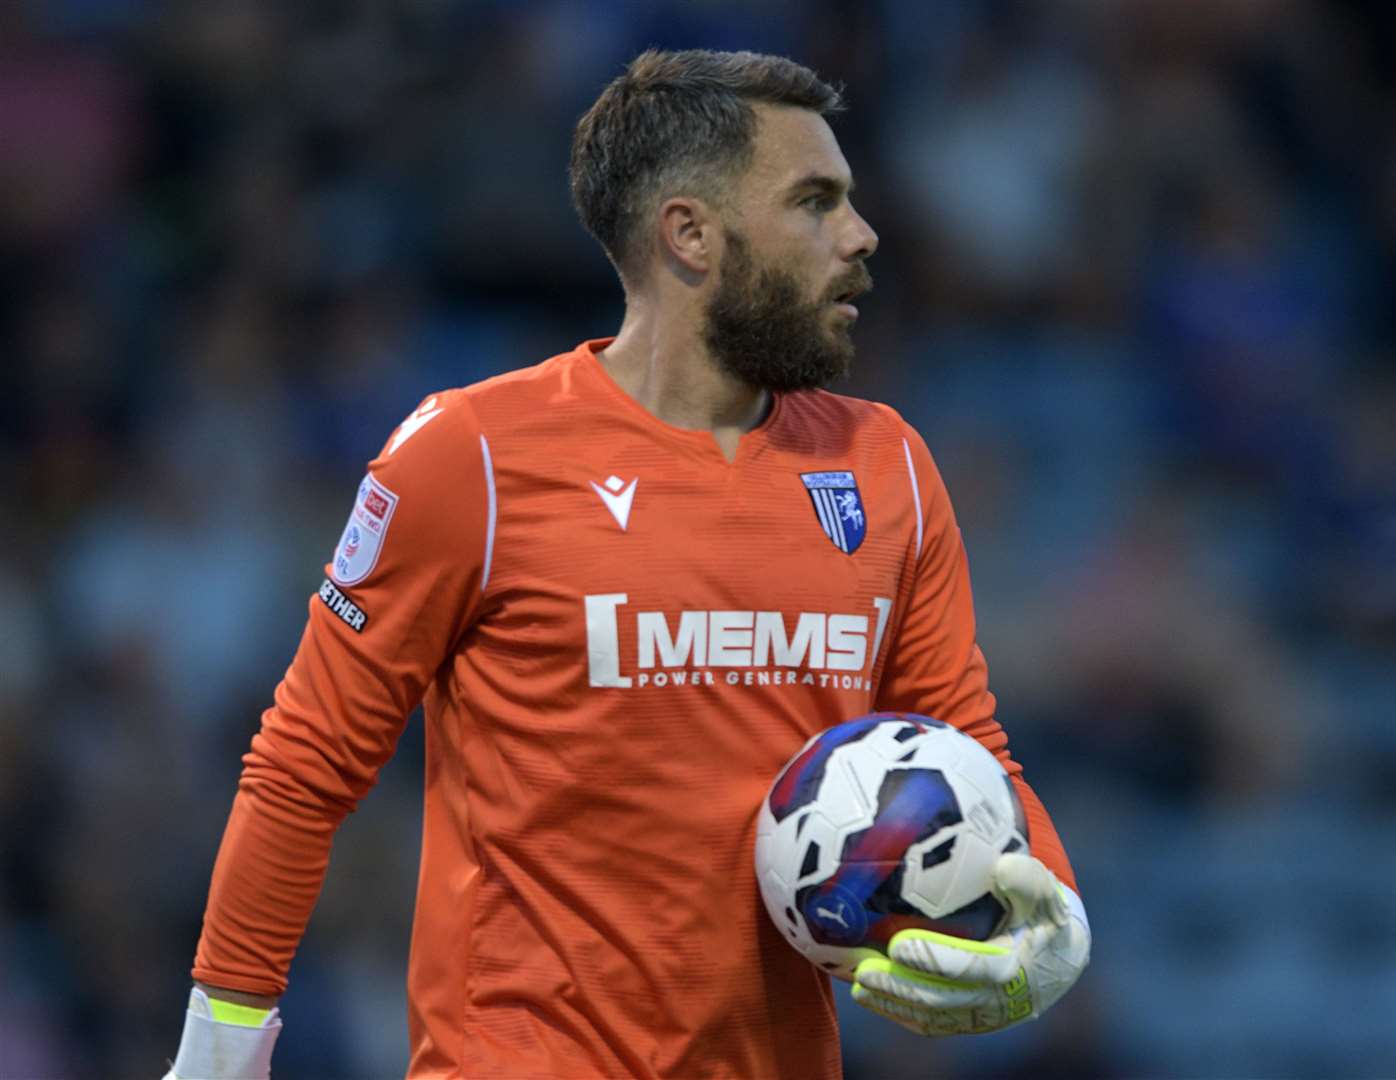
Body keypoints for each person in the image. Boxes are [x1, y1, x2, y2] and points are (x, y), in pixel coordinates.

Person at [166, 49, 1090, 1080]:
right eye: (815, 201)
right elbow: (304, 767)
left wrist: (1049, 912)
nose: (861, 235)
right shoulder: (469, 457)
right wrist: (219, 1052)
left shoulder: (887, 469)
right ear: (689, 233)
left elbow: (963, 743)